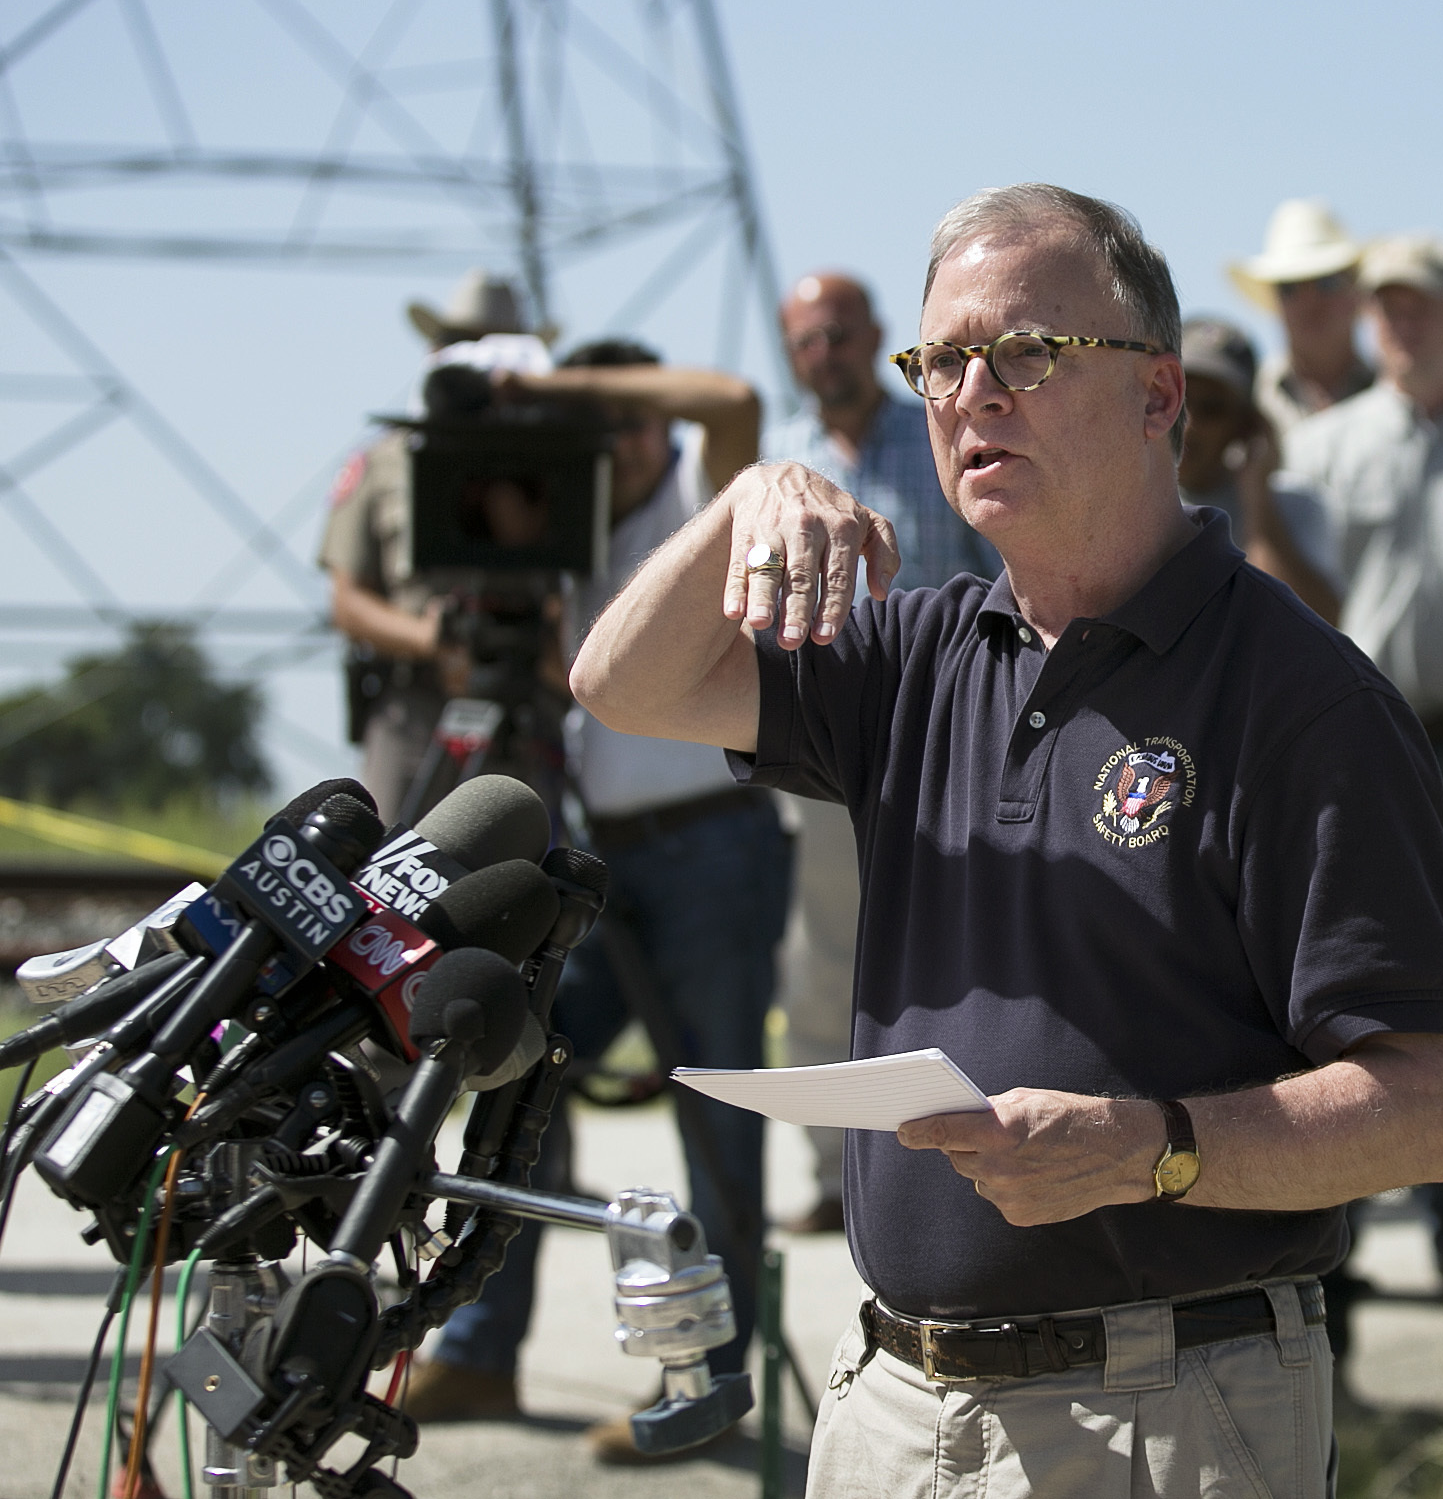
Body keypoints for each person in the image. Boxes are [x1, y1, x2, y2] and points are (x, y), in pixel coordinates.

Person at [572, 183, 1443, 1499]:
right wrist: (744, 498)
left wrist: (1153, 1145)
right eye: (940, 361)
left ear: (1159, 396)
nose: (972, 394)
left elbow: (1424, 1114)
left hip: (1161, 1408)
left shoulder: (1301, 702)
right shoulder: (917, 655)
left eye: (1028, 353)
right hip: (894, 1402)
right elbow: (619, 684)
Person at [400, 340, 793, 1468]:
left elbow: (731, 401)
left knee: (716, 1112)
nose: (609, 441)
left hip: (713, 845)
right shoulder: (568, 526)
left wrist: (560, 392)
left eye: (624, 414)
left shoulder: (698, 493)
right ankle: (480, 1343)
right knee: (514, 1065)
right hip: (600, 855)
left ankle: (705, 1380)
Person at [1284, 233, 1443, 1312]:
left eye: (1422, 304)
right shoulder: (1323, 451)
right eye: (1387, 304)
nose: (1404, 321)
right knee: (1331, 1000)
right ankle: (1329, 1258)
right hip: (1358, 749)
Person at [761, 271, 1000, 1234]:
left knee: (971, 958)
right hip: (821, 750)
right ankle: (831, 1175)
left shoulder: (942, 437)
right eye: (807, 340)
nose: (827, 354)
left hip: (950, 740)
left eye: (841, 334)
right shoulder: (779, 463)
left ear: (874, 338)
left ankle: (969, 1164)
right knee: (825, 964)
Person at [320, 269, 557, 812]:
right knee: (389, 875)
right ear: (435, 350)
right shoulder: (383, 462)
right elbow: (346, 599)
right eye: (463, 346)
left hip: (525, 707)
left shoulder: (555, 467)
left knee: (525, 876)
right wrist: (426, 638)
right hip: (416, 710)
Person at [1174, 315, 1340, 620]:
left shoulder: (1295, 506)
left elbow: (1310, 626)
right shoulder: (1122, 503)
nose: (1190, 425)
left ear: (1246, 425)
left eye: (1213, 409)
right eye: (1180, 400)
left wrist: (1258, 501)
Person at [1229, 198, 1374, 438]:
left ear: (1357, 293)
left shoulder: (1401, 397)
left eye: (1327, 282)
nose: (1309, 301)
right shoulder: (1244, 402)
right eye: (1289, 287)